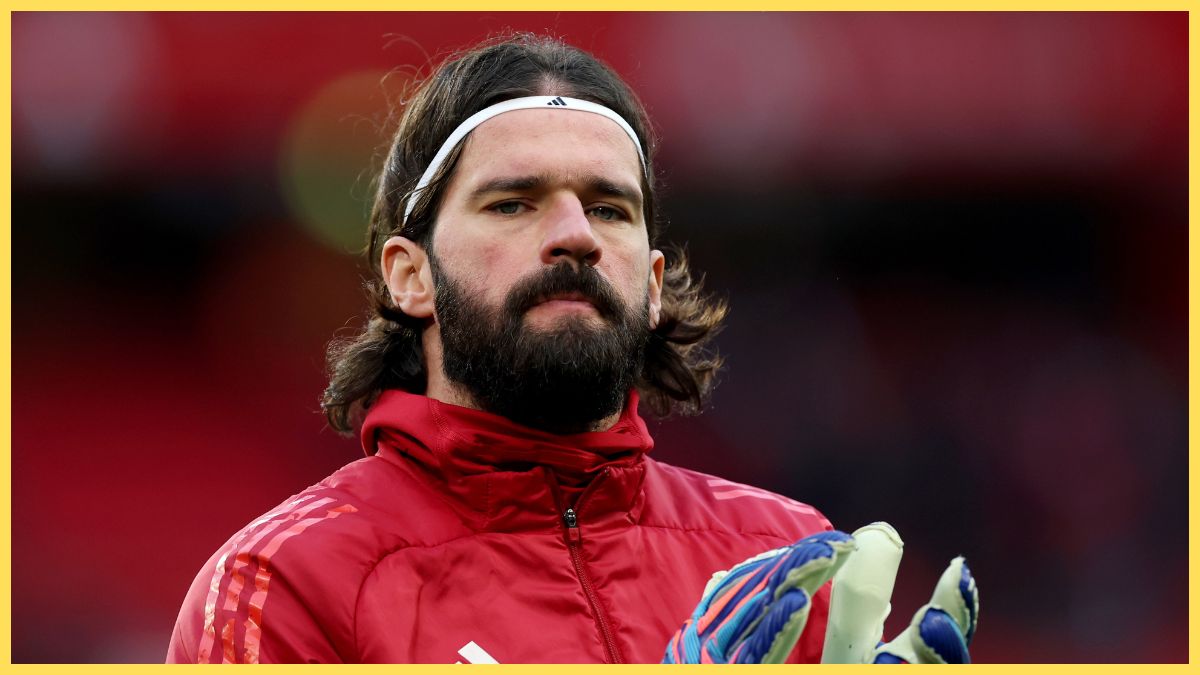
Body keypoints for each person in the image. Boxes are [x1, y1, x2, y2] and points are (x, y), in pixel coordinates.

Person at [167, 34, 969, 665]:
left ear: (653, 284)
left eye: (610, 208)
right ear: (410, 276)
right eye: (514, 202)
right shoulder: (288, 584)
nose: (576, 236)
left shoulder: (786, 565)